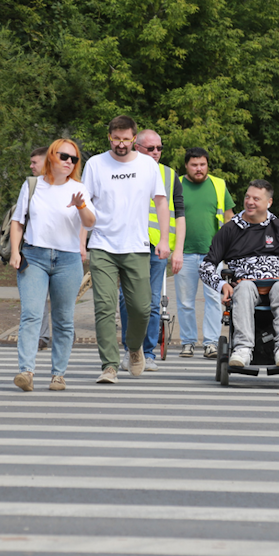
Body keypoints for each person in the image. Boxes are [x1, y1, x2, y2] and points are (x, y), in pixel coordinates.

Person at [81, 115, 170, 384]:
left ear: (134, 138)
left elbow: (162, 202)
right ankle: (109, 365)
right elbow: (83, 205)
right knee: (105, 306)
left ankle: (134, 348)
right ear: (109, 137)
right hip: (102, 246)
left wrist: (164, 240)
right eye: (115, 138)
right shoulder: (95, 164)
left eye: (126, 139)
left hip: (137, 246)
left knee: (142, 308)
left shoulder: (147, 165)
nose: (121, 144)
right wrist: (81, 244)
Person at [10, 139, 96, 392]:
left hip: (67, 260)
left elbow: (90, 222)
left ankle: (58, 374)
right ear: (51, 156)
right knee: (31, 315)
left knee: (63, 320)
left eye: (74, 159)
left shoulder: (79, 188)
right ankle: (26, 372)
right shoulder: (32, 185)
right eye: (64, 156)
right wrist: (15, 252)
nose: (69, 161)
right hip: (34, 257)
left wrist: (80, 205)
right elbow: (18, 221)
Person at [200, 180, 279, 367]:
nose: (250, 202)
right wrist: (223, 285)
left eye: (256, 198)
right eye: (247, 197)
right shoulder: (230, 230)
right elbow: (205, 267)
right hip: (245, 285)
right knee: (244, 288)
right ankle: (243, 348)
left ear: (269, 202)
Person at [118, 129, 185, 373]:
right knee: (127, 300)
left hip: (157, 247)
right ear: (137, 147)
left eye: (159, 148)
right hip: (127, 245)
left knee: (152, 302)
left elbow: (180, 213)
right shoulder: (122, 169)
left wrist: (177, 249)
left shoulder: (169, 174)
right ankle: (129, 350)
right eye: (151, 148)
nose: (156, 153)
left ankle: (147, 353)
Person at [176, 147, 234, 360]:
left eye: (202, 164)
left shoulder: (219, 185)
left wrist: (230, 251)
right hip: (184, 253)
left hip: (213, 255)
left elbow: (229, 219)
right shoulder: (177, 184)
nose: (199, 169)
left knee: (212, 298)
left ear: (207, 164)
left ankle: (210, 343)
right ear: (186, 166)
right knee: (185, 301)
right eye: (194, 165)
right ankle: (188, 342)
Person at [29, 146, 53, 351]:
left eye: (35, 162)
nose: (31, 166)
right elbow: (20, 219)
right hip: (35, 251)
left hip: (63, 253)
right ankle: (41, 336)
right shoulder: (31, 186)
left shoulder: (68, 185)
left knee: (62, 301)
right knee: (37, 297)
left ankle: (64, 335)